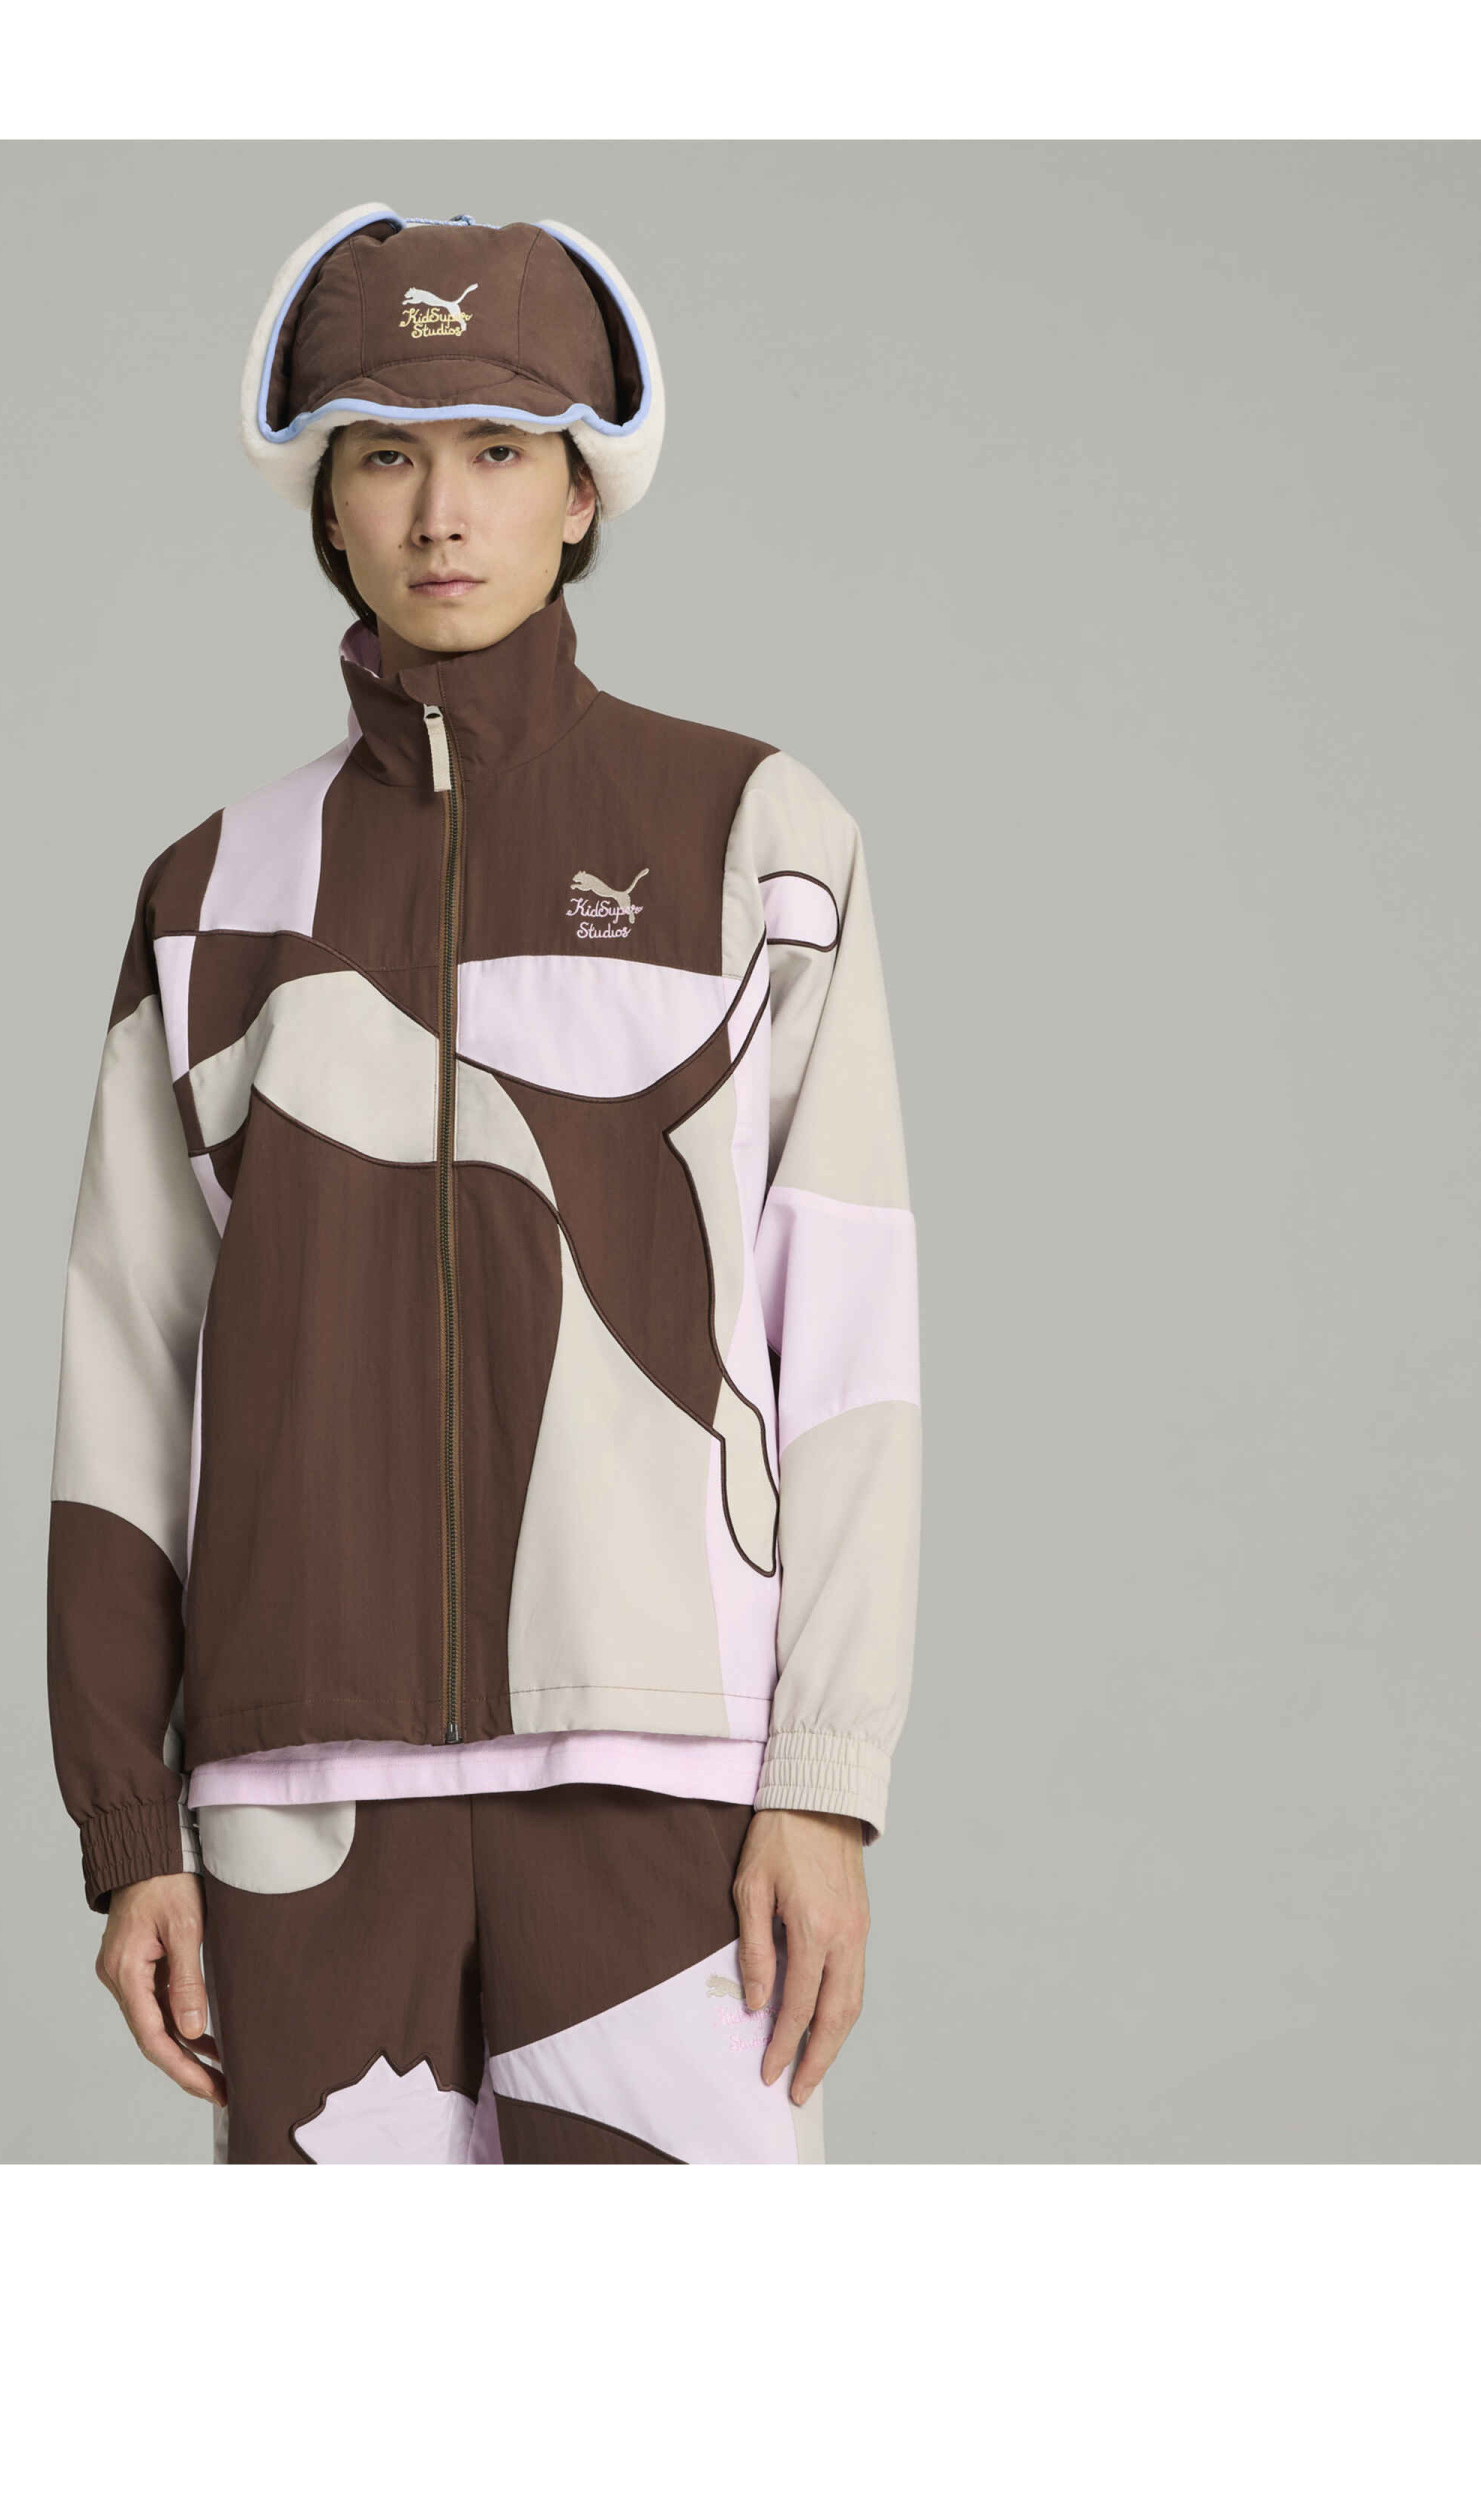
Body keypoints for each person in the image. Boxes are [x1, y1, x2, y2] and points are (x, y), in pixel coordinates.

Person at [45, 202, 922, 2163]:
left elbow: (849, 1346)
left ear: (582, 492)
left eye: (498, 450)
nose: (441, 510)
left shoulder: (752, 836)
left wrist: (823, 1775)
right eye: (384, 452)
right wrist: (128, 1822)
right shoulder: (215, 895)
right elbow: (125, 1385)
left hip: (664, 1767)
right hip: (295, 1793)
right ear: (326, 502)